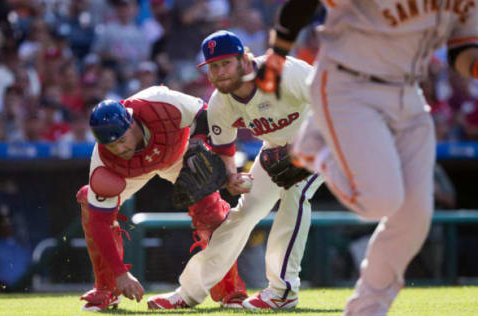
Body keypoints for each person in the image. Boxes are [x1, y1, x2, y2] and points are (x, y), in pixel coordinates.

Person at [255, 1, 478, 315]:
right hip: (349, 84)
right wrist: (277, 55)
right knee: (379, 200)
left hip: (409, 93)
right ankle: (313, 147)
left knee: (415, 216)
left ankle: (367, 309)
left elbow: (462, 52)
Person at [147, 30, 323, 310]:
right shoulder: (220, 103)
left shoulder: (286, 73)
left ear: (244, 58)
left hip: (320, 139)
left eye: (225, 63)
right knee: (243, 215)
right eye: (213, 67)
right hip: (275, 147)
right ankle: (188, 293)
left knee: (296, 194)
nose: (219, 72)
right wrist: (232, 177)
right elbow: (225, 151)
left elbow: (334, 104)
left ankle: (283, 290)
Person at [76, 86, 248, 311]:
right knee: (91, 205)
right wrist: (121, 273)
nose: (119, 148)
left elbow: (204, 113)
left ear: (132, 123)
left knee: (211, 212)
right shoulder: (104, 161)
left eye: (122, 139)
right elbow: (100, 223)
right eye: (111, 145)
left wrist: (197, 143)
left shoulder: (159, 102)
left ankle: (230, 291)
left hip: (179, 154)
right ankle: (107, 289)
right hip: (131, 172)